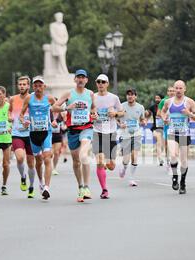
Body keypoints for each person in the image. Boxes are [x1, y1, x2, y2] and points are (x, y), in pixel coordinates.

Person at [54, 69, 97, 203]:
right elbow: (54, 107)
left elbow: (93, 108)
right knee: (76, 161)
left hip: (87, 128)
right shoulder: (68, 94)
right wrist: (67, 108)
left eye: (82, 77)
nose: (80, 79)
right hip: (72, 130)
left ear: (86, 80)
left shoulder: (90, 94)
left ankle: (87, 187)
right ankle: (80, 187)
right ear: (75, 80)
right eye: (78, 77)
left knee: (83, 155)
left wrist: (94, 114)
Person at [19, 76, 57, 200]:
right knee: (38, 160)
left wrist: (55, 120)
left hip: (46, 132)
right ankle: (40, 181)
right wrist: (24, 121)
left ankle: (47, 187)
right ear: (33, 87)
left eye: (40, 85)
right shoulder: (29, 98)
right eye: (35, 85)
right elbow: (21, 114)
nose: (38, 88)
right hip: (33, 133)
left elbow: (56, 110)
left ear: (44, 87)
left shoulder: (50, 98)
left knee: (47, 158)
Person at [162, 81, 195, 194]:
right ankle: (175, 177)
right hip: (172, 133)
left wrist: (189, 114)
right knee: (173, 155)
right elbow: (163, 112)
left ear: (184, 89)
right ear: (174, 90)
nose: (178, 90)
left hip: (184, 134)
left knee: (183, 160)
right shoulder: (168, 102)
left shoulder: (189, 102)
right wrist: (164, 118)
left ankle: (183, 182)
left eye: (180, 88)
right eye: (176, 88)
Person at [92, 74, 124, 199]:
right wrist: (92, 116)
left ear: (107, 84)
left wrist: (115, 113)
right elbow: (88, 112)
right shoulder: (92, 97)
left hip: (111, 133)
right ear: (96, 83)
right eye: (98, 81)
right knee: (99, 162)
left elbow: (122, 112)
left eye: (103, 82)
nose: (100, 84)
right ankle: (104, 189)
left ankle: (107, 164)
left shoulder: (114, 98)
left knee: (111, 166)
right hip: (97, 132)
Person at [10, 76, 37, 198]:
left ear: (28, 86)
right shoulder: (13, 99)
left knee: (31, 163)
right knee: (20, 158)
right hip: (17, 133)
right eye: (20, 84)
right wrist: (9, 118)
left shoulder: (33, 98)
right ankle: (23, 177)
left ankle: (31, 186)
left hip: (31, 134)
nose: (21, 86)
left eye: (24, 84)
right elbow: (9, 112)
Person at [118, 88, 147, 187]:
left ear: (135, 96)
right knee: (126, 159)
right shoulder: (121, 106)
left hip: (136, 134)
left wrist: (143, 122)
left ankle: (132, 178)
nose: (130, 96)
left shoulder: (140, 107)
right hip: (125, 135)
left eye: (132, 94)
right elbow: (115, 118)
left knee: (134, 156)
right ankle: (124, 168)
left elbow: (142, 119)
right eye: (128, 94)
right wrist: (119, 124)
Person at [158, 86, 176, 173]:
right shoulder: (163, 101)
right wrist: (164, 118)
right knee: (167, 144)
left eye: (173, 91)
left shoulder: (179, 101)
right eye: (169, 91)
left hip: (177, 126)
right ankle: (168, 160)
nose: (171, 92)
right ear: (167, 93)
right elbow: (159, 113)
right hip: (167, 126)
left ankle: (174, 161)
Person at [145, 94, 164, 166]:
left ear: (162, 99)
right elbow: (148, 114)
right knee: (158, 141)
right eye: (156, 98)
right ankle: (160, 159)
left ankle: (164, 156)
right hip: (156, 127)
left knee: (162, 144)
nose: (157, 99)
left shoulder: (166, 106)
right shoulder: (153, 107)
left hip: (165, 127)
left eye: (158, 98)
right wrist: (146, 119)